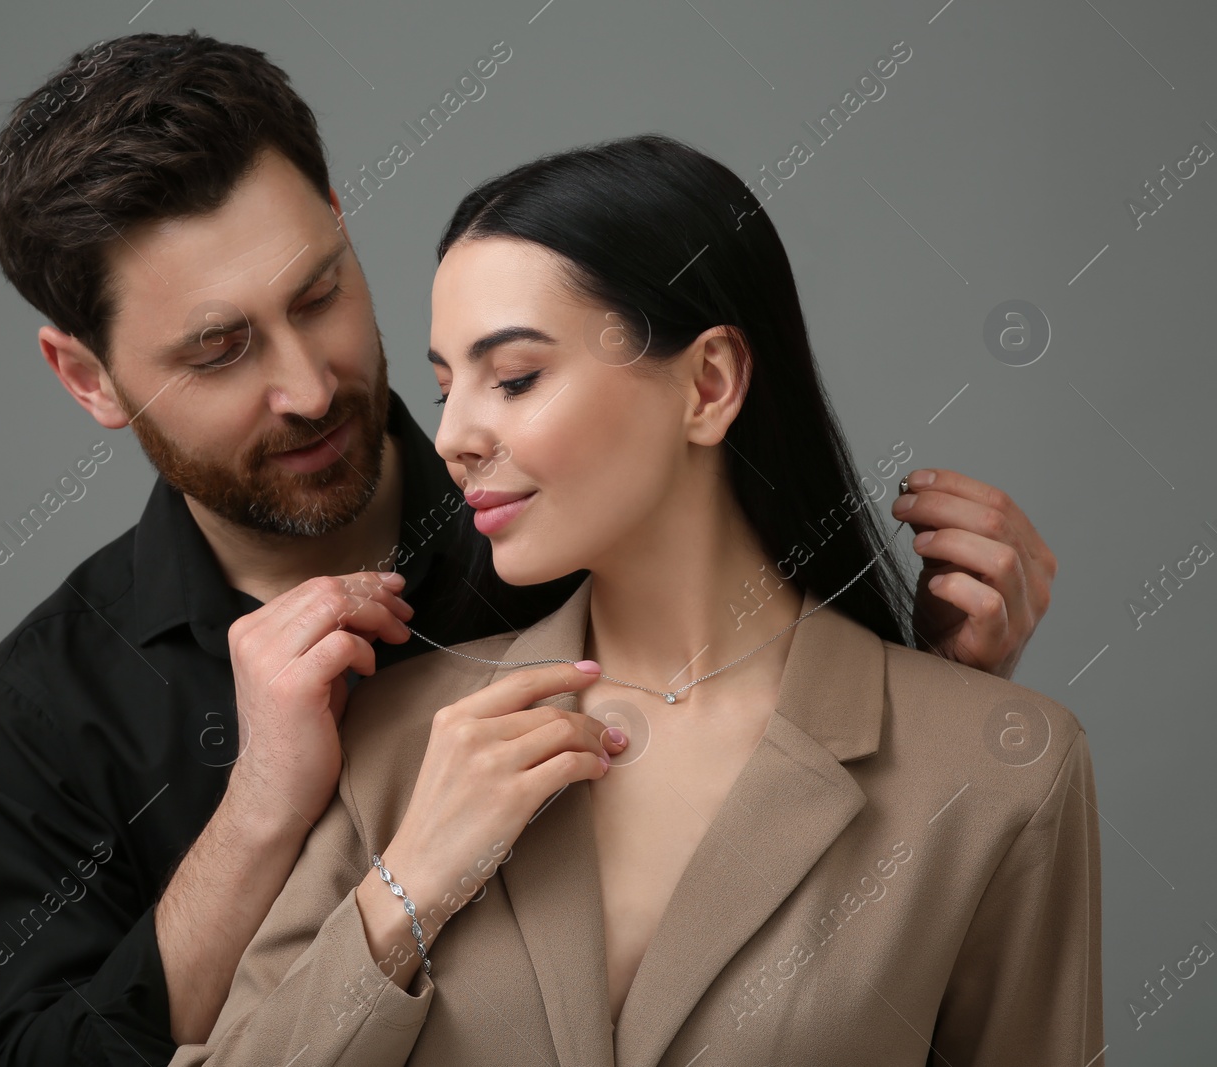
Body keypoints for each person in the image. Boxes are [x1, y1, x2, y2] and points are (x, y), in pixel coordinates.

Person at [0, 32, 1063, 1066]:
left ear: (340, 217)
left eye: (320, 290)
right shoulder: (45, 707)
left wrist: (939, 710)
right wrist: (268, 817)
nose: (309, 383)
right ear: (87, 375)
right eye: (219, 349)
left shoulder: (591, 509)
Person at [166, 133, 1102, 1066]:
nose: (451, 436)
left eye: (516, 377)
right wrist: (403, 891)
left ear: (708, 384)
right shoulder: (399, 741)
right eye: (445, 387)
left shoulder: (999, 770)